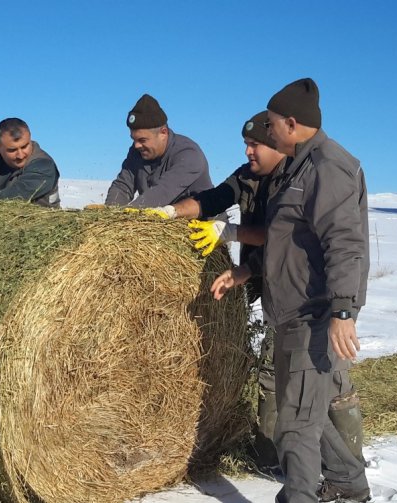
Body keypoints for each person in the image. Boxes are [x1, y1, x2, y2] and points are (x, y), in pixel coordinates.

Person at [211, 78, 370, 503]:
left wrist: (342, 310)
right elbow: (292, 245)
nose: (267, 129)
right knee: (305, 412)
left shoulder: (328, 167)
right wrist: (248, 272)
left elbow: (344, 242)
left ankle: (300, 495)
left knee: (295, 423)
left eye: (271, 123)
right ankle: (349, 483)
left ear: (293, 123)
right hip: (291, 311)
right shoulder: (296, 168)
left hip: (314, 313)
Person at [150, 111, 286, 468]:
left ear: (275, 144)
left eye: (254, 144)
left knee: (292, 374)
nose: (247, 152)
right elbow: (211, 199)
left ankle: (293, 458)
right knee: (273, 371)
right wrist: (169, 213)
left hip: (296, 285)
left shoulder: (291, 182)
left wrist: (230, 233)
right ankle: (271, 452)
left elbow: (280, 234)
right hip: (261, 276)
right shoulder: (246, 177)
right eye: (246, 144)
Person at [105, 94, 213, 208]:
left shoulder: (189, 154)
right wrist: (110, 213)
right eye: (134, 139)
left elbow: (161, 193)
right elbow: (123, 186)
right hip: (159, 221)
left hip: (206, 223)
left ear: (163, 133)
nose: (136, 145)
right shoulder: (137, 152)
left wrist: (125, 216)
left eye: (142, 140)